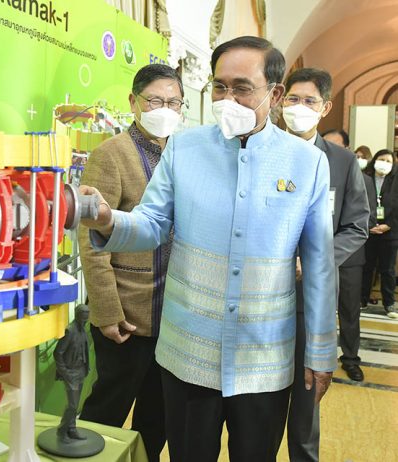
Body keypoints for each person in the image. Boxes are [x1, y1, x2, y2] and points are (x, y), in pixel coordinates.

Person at [80, 36, 337, 462]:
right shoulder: (185, 148)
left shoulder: (306, 163)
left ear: (274, 94)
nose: (227, 99)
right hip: (188, 353)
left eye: (242, 88)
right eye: (219, 86)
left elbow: (319, 264)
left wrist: (321, 350)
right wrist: (110, 221)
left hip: (263, 359)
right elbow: (153, 223)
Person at [79, 63, 184, 461]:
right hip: (127, 314)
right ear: (133, 102)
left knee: (158, 415)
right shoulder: (111, 154)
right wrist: (107, 311)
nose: (165, 109)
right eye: (155, 100)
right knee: (108, 407)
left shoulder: (182, 153)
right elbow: (92, 239)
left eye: (174, 102)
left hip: (173, 315)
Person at [281, 68, 370, 461]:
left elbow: (357, 225)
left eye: (309, 101)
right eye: (292, 99)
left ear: (325, 107)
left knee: (305, 402)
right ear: (279, 100)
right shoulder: (262, 150)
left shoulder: (342, 162)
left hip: (310, 298)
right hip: (260, 295)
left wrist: (317, 260)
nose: (299, 107)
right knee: (259, 404)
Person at [361, 149, 398, 319]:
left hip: (389, 232)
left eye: (388, 161)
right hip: (368, 230)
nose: (384, 163)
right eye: (381, 159)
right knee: (366, 267)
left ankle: (389, 304)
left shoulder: (395, 180)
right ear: (375, 160)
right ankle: (362, 300)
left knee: (387, 269)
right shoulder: (365, 178)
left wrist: (388, 225)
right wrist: (369, 225)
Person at [54, 304, 90, 443]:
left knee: (75, 404)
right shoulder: (69, 331)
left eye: (86, 318)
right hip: (71, 373)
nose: (85, 321)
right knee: (72, 405)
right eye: (83, 318)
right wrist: (65, 372)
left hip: (81, 371)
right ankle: (62, 430)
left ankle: (72, 429)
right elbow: (58, 352)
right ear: (77, 315)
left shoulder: (83, 330)